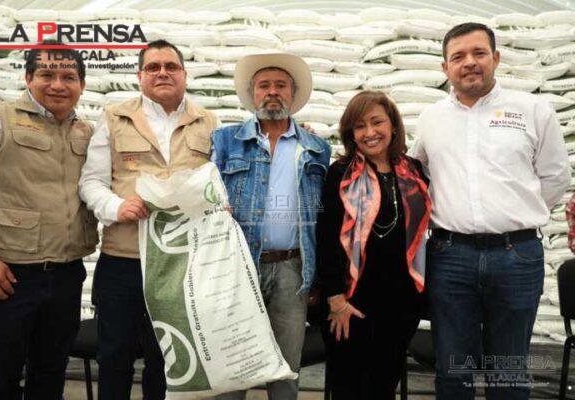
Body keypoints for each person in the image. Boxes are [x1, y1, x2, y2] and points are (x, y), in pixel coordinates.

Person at [410, 22, 570, 400]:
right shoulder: (431, 118)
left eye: (479, 53)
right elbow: (418, 177)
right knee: (453, 369)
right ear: (445, 67)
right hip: (451, 257)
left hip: (517, 256)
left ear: (495, 58)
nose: (469, 62)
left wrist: (514, 215)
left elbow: (555, 177)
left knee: (508, 370)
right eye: (458, 56)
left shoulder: (533, 110)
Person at [79, 39, 218, 400]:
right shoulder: (115, 118)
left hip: (180, 263)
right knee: (115, 356)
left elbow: (215, 185)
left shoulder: (207, 122)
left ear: (184, 74)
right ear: (140, 76)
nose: (162, 73)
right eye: (153, 67)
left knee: (168, 359)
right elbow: (91, 182)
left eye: (171, 66)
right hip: (124, 259)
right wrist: (115, 207)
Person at [0, 40, 96, 399]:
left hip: (66, 273)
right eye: (46, 75)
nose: (58, 85)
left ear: (81, 85)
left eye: (68, 77)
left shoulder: (86, 132)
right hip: (9, 275)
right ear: (28, 78)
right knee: (1, 376)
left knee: (51, 372)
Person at [211, 53, 331, 399]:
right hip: (238, 268)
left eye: (281, 85)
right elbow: (207, 197)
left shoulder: (316, 148)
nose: (273, 92)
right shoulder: (225, 141)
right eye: (264, 86)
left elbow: (323, 220)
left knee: (285, 369)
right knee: (233, 367)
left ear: (293, 94)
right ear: (253, 94)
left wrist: (317, 277)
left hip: (292, 270)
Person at [316, 90, 431, 399]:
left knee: (383, 387)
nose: (370, 132)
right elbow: (325, 238)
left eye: (377, 122)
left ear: (392, 125)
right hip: (351, 303)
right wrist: (335, 300)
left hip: (401, 304)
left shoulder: (414, 171)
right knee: (349, 389)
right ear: (350, 133)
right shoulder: (340, 174)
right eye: (360, 126)